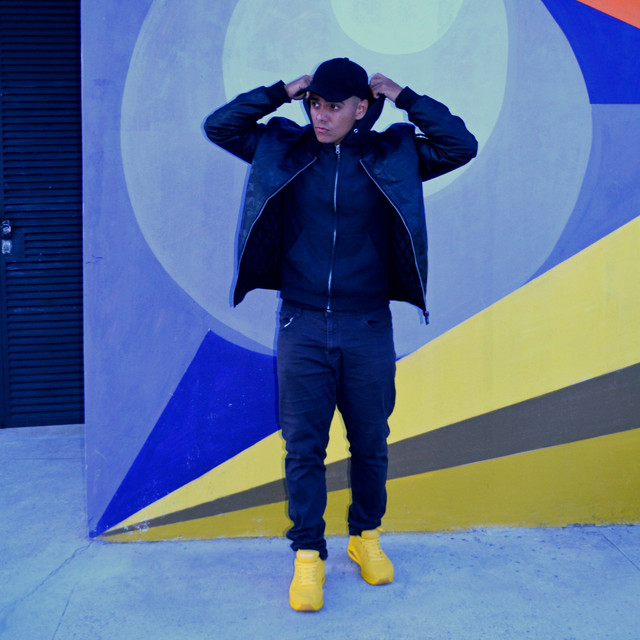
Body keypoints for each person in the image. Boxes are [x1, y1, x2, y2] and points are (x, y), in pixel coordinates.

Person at [204, 57, 477, 612]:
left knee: (370, 442)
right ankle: (308, 554)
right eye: (315, 105)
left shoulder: (394, 154)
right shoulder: (283, 147)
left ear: (361, 108)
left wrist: (405, 96)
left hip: (367, 324)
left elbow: (460, 145)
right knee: (304, 446)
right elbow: (220, 126)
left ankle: (365, 537)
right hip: (301, 322)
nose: (321, 116)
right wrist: (280, 91)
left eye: (334, 106)